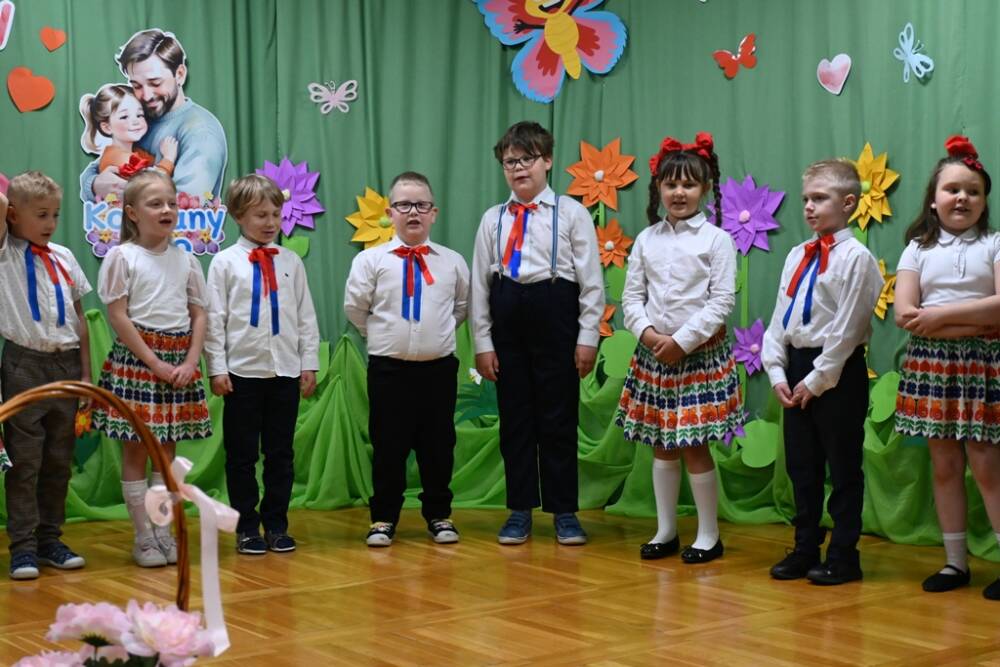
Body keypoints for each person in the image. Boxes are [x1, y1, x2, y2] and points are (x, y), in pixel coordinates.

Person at [470, 121, 604, 545]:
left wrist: (587, 338)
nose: (518, 168)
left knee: (559, 418)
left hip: (556, 315)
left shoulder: (571, 212)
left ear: (547, 161)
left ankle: (565, 511)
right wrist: (483, 343)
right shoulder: (493, 219)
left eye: (526, 159)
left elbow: (591, 282)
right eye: (510, 161)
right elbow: (479, 287)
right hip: (508, 318)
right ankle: (519, 510)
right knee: (515, 420)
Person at [615, 133, 741, 563]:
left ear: (704, 188)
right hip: (654, 355)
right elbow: (632, 297)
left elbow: (721, 302)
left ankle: (708, 534)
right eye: (671, 185)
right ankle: (665, 530)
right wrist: (649, 335)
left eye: (689, 184)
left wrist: (682, 341)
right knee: (661, 443)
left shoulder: (716, 240)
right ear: (659, 189)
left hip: (698, 356)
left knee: (694, 444)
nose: (679, 192)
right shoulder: (647, 239)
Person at [762, 159, 882, 585]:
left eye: (819, 198)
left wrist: (816, 381)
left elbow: (848, 330)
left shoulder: (857, 259)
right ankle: (805, 547)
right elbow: (779, 320)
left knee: (843, 466)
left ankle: (845, 555)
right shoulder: (797, 254)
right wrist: (777, 372)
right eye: (806, 199)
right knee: (802, 465)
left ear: (848, 203)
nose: (809, 207)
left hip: (837, 371)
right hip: (797, 368)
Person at [894, 135, 1000, 599]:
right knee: (943, 464)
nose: (962, 198)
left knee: (986, 463)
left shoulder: (994, 244)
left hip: (982, 365)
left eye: (973, 191)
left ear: (984, 202)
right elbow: (905, 314)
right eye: (952, 189)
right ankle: (956, 563)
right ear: (933, 200)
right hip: (931, 366)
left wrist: (939, 318)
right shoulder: (917, 249)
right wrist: (975, 320)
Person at [91, 169, 212, 567]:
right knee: (136, 448)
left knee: (166, 451)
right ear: (132, 212)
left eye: (172, 203)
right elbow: (118, 316)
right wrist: (154, 361)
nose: (167, 210)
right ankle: (143, 537)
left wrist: (191, 360)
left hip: (179, 360)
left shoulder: (186, 259)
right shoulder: (122, 257)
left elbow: (199, 314)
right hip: (140, 360)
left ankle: (163, 531)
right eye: (155, 203)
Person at [344, 172, 469, 547]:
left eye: (421, 205)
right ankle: (383, 518)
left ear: (434, 212)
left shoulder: (452, 262)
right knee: (388, 445)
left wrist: (436, 333)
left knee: (438, 445)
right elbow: (356, 308)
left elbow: (461, 307)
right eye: (403, 205)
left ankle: (439, 515)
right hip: (389, 369)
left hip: (438, 370)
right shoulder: (370, 260)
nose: (413, 212)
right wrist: (382, 336)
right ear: (390, 212)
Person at [205, 174, 319, 555]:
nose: (270, 222)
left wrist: (308, 363)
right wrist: (217, 368)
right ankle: (247, 527)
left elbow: (305, 316)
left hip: (284, 372)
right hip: (242, 374)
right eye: (260, 215)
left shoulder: (291, 262)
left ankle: (277, 524)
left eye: (275, 214)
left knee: (280, 454)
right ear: (239, 216)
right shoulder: (224, 263)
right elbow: (215, 319)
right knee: (241, 455)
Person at [0, 172, 92, 580]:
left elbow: (79, 319)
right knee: (25, 462)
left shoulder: (65, 256)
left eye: (55, 214)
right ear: (13, 215)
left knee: (58, 460)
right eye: (40, 214)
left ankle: (49, 539)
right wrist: (9, 205)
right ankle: (22, 547)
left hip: (66, 365)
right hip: (23, 366)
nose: (50, 223)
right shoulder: (5, 253)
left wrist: (85, 374)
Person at [80, 29, 227, 203]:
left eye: (155, 83)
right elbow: (102, 165)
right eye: (137, 86)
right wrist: (94, 184)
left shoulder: (201, 132)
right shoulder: (141, 119)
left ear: (180, 74)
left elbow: (182, 203)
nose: (147, 95)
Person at [79, 83, 177, 179]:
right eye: (124, 117)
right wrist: (168, 159)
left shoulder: (136, 151)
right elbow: (152, 183)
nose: (136, 121)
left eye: (139, 115)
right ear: (107, 127)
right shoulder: (118, 158)